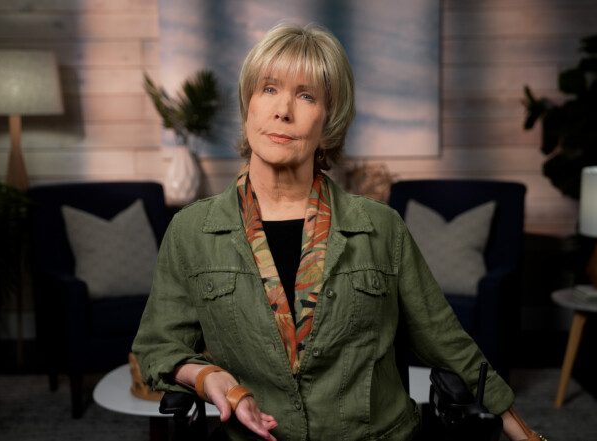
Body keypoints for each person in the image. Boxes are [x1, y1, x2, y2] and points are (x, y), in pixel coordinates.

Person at [133, 22, 541, 441]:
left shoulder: (381, 228)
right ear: (249, 105)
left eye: (306, 95)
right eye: (269, 89)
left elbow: (444, 339)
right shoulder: (191, 232)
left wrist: (520, 430)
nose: (283, 110)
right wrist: (210, 378)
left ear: (329, 119)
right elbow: (157, 346)